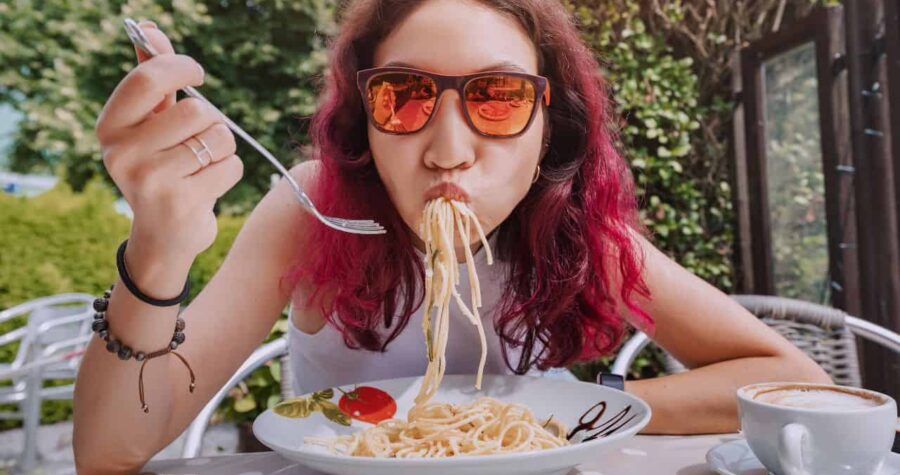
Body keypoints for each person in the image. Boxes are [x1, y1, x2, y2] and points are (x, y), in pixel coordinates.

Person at [73, 0, 831, 472]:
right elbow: (110, 452)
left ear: (549, 129)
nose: (447, 149)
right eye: (403, 97)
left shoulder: (575, 234)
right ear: (365, 126)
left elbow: (792, 379)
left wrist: (577, 402)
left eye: (498, 99)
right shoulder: (306, 209)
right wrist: (158, 247)